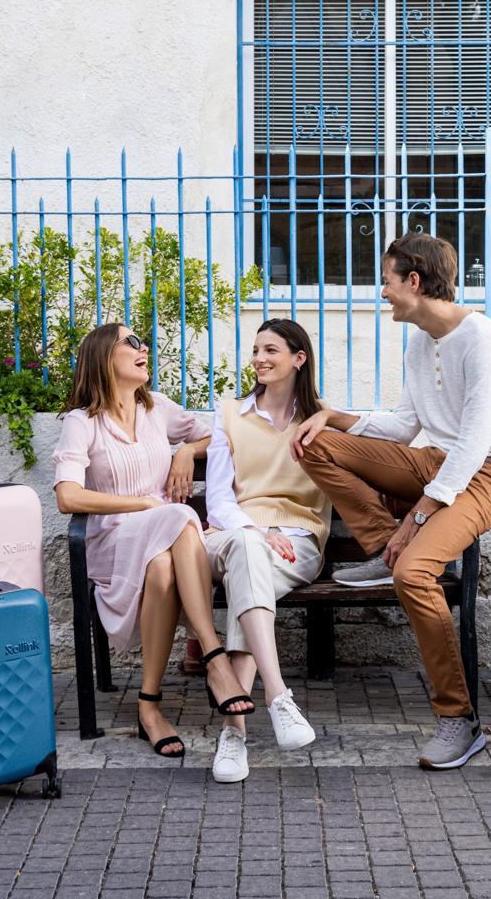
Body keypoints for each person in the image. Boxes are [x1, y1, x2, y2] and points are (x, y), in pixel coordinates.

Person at [292, 233, 491, 771]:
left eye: (387, 280)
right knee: (316, 444)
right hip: (435, 463)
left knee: (415, 573)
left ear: (414, 281)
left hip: (489, 475)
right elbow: (403, 426)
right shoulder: (420, 344)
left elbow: (473, 444)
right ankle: (382, 548)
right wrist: (330, 416)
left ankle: (459, 718)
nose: (382, 292)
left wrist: (415, 521)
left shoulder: (483, 341)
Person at [52, 322, 256, 760]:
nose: (142, 347)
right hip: (113, 542)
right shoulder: (81, 422)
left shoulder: (157, 408)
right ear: (104, 357)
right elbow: (68, 496)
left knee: (163, 567)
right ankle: (214, 656)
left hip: (164, 542)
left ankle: (149, 704)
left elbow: (221, 433)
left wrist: (185, 451)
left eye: (142, 340)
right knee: (180, 515)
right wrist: (142, 504)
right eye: (131, 342)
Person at [200, 318, 331, 783]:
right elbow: (219, 500)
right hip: (232, 535)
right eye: (256, 350)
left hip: (297, 542)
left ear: (299, 359)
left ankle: (233, 734)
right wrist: (254, 530)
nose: (258, 359)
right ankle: (277, 696)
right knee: (246, 548)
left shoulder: (319, 420)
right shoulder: (229, 414)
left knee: (248, 578)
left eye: (270, 350)